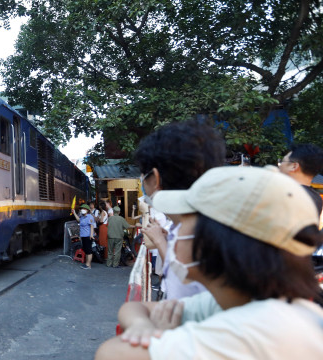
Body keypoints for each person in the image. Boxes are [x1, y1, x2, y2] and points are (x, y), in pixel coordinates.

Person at [95, 166, 323, 360]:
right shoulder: (239, 299)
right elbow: (136, 308)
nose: (172, 230)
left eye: (183, 220)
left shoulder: (257, 331)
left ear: (211, 242)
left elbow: (109, 352)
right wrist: (142, 327)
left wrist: (160, 334)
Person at [135, 120, 225, 299]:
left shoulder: (195, 242)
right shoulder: (185, 230)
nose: (142, 181)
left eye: (143, 175)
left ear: (155, 178)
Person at [278, 143, 323, 217]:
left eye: (281, 161)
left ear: (294, 166)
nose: (280, 165)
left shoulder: (287, 195)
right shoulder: (317, 198)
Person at [73, 203, 95, 269]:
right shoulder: (82, 217)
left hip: (88, 236)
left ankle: (88, 265)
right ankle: (87, 264)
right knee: (86, 250)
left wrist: (91, 235)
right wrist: (74, 213)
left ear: (87, 210)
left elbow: (92, 226)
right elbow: (78, 220)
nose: (82, 210)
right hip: (83, 236)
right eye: (82, 209)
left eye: (84, 209)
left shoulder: (90, 217)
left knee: (89, 251)